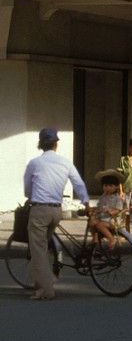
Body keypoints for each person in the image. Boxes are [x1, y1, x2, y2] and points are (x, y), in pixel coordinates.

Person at [22, 127, 91, 301]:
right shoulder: (65, 162)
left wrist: (32, 197)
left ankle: (45, 290)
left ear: (40, 144)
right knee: (45, 244)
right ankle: (49, 276)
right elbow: (79, 184)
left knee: (38, 250)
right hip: (56, 211)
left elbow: (27, 190)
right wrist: (87, 203)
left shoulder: (34, 163)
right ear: (55, 144)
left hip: (39, 210)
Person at [92, 169, 126, 247]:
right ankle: (95, 238)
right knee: (92, 222)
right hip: (102, 218)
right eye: (105, 186)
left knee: (99, 225)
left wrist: (110, 211)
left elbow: (118, 210)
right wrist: (95, 211)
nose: (107, 188)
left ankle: (111, 239)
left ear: (116, 186)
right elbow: (99, 207)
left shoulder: (117, 198)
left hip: (113, 221)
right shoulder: (102, 197)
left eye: (110, 186)